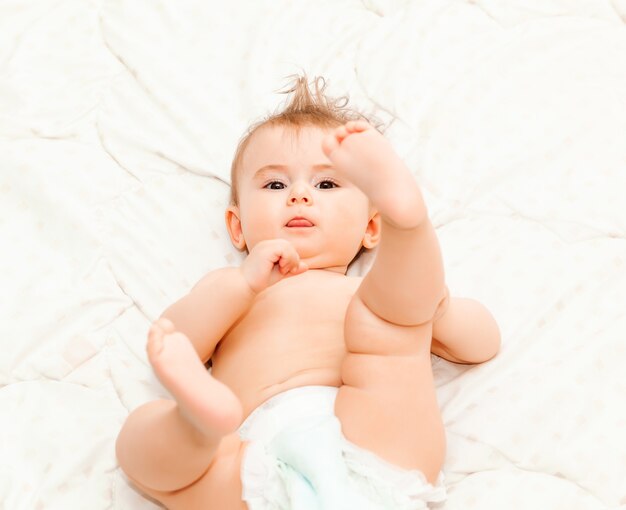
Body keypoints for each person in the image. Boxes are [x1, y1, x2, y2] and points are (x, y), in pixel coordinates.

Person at [115, 74, 501, 510]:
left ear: (371, 227)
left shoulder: (369, 293)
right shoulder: (232, 290)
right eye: (275, 185)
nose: (299, 195)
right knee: (140, 444)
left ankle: (409, 228)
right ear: (237, 227)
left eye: (327, 184)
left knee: (390, 336)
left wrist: (434, 307)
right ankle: (197, 426)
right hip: (251, 459)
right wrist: (241, 286)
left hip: (369, 435)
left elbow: (483, 343)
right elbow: (175, 339)